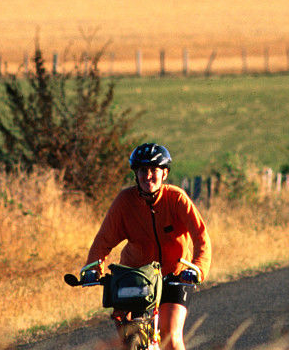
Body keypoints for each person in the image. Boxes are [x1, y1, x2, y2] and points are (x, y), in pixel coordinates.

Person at [84, 143, 211, 350]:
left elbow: (201, 237)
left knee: (170, 335)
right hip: (136, 277)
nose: (148, 176)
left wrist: (197, 268)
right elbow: (103, 240)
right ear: (136, 174)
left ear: (165, 174)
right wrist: (92, 268)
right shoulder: (124, 201)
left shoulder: (177, 199)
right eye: (143, 170)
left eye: (154, 170)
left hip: (175, 277)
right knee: (128, 338)